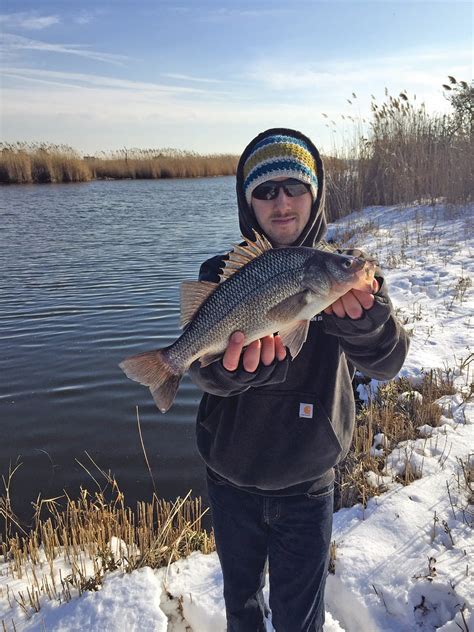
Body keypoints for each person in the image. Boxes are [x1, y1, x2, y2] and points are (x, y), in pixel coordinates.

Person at [189, 128, 409, 632]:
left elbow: (388, 363)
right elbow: (206, 374)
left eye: (294, 187)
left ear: (315, 194)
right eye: (265, 190)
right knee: (241, 608)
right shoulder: (220, 272)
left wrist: (367, 325)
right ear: (248, 202)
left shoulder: (340, 271)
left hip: (308, 483)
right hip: (231, 477)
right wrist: (229, 371)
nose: (281, 202)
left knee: (299, 619)